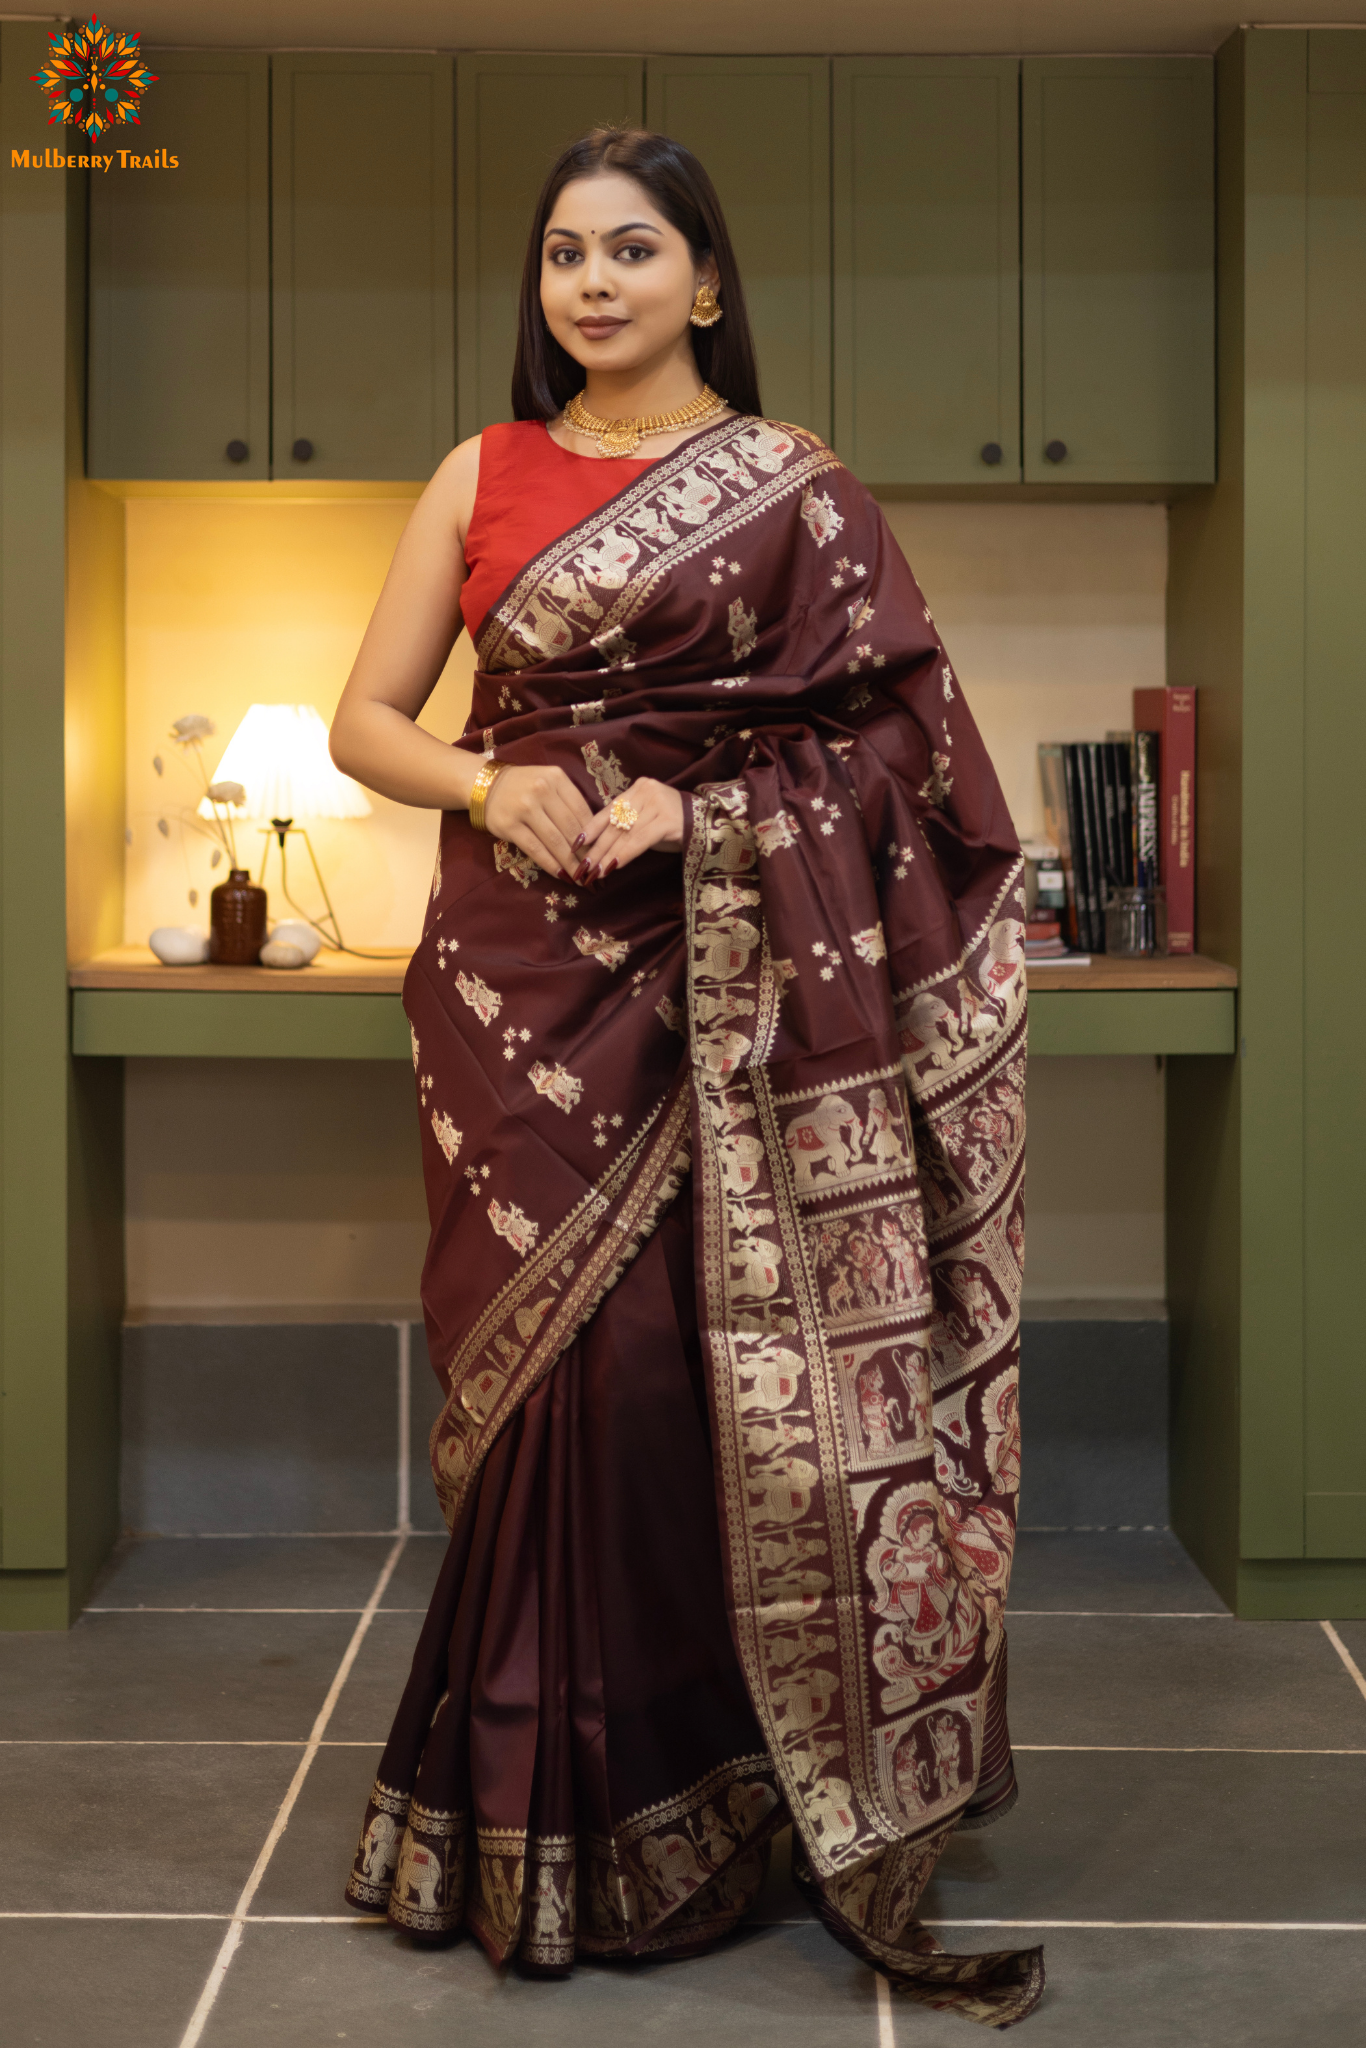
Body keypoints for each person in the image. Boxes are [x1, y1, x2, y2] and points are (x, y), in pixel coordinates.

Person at [329, 125, 1040, 2027]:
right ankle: (517, 1808)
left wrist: (702, 805)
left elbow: (910, 759)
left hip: (721, 992)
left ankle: (722, 1798)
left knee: (680, 1385)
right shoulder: (478, 475)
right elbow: (367, 722)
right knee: (541, 1389)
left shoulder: (798, 494)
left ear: (705, 282)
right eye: (562, 251)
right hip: (510, 983)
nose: (590, 282)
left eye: (632, 250)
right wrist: (497, 779)